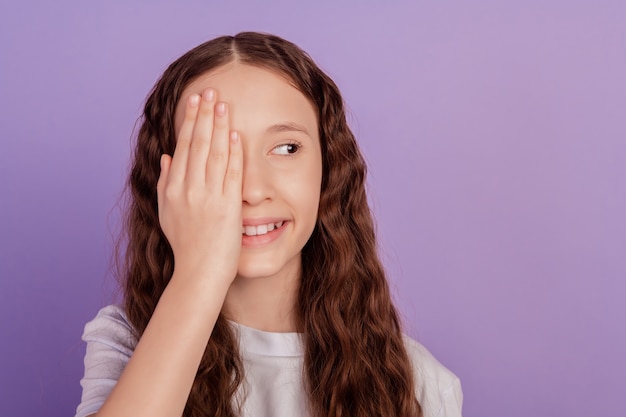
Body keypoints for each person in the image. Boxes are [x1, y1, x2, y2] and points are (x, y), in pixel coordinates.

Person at [75, 32, 463, 417]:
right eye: (215, 153)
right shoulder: (129, 342)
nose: (253, 190)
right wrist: (199, 273)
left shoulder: (420, 385)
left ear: (329, 170)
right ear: (169, 183)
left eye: (287, 148)